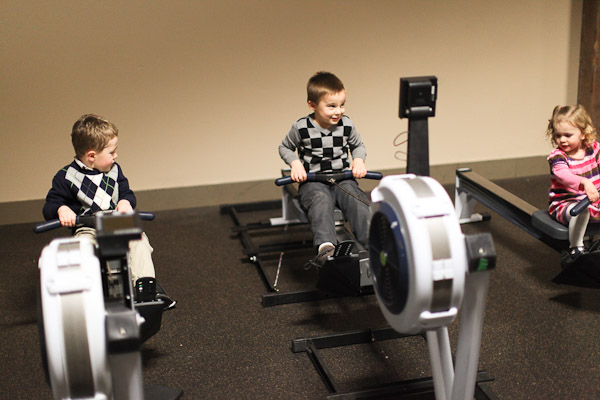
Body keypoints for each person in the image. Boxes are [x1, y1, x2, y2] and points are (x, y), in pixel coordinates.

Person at [43, 114, 174, 308]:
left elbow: (127, 193)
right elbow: (51, 205)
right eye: (112, 152)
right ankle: (87, 295)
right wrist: (62, 209)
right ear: (91, 156)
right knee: (82, 249)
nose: (116, 156)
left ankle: (145, 289)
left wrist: (125, 202)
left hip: (117, 223)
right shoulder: (66, 177)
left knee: (139, 241)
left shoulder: (115, 170)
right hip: (88, 227)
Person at [279, 71, 370, 268]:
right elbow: (284, 147)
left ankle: (373, 244)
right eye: (331, 106)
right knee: (321, 201)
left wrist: (358, 160)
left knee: (357, 200)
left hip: (342, 178)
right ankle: (326, 248)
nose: (338, 111)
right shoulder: (301, 127)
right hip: (313, 182)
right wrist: (295, 164)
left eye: (342, 105)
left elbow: (358, 146)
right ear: (312, 105)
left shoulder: (347, 125)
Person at [546, 104, 600, 265]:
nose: (562, 140)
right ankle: (575, 248)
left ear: (583, 133)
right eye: (558, 135)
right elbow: (564, 175)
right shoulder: (557, 157)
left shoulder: (593, 148)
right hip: (566, 203)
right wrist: (584, 182)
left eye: (568, 135)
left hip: (593, 199)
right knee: (582, 212)